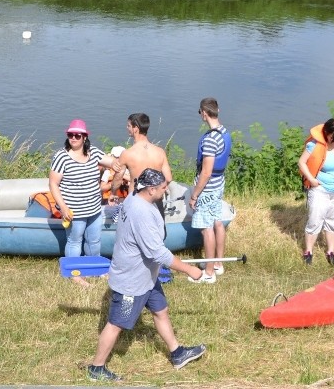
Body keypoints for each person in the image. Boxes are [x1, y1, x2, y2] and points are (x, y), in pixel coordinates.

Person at [88, 168, 207, 382]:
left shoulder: (135, 197)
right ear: (150, 189)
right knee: (116, 323)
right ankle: (96, 368)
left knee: (161, 310)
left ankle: (177, 353)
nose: (165, 190)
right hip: (131, 282)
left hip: (147, 277)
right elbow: (156, 252)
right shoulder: (140, 212)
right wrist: (190, 269)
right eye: (162, 188)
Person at [49, 119, 113, 286]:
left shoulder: (94, 152)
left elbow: (113, 162)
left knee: (94, 241)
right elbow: (53, 184)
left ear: (85, 137)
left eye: (78, 135)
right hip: (73, 211)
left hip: (94, 208)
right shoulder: (61, 157)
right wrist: (62, 207)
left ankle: (96, 269)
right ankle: (74, 274)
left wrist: (129, 160)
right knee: (74, 241)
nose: (74, 138)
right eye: (71, 135)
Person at [297, 118, 334, 266]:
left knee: (333, 222)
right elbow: (301, 162)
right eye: (332, 139)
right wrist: (311, 179)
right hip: (320, 188)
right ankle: (308, 251)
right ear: (326, 134)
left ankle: (331, 251)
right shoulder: (314, 145)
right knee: (315, 220)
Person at [188, 97, 231, 283]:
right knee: (218, 223)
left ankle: (208, 273)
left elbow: (206, 172)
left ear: (204, 113)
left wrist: (195, 194)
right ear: (217, 110)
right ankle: (218, 264)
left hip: (207, 189)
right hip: (219, 184)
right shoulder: (224, 132)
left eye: (200, 112)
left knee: (207, 229)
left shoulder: (210, 140)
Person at [110, 113, 173, 216]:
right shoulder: (160, 152)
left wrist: (113, 194)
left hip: (135, 200)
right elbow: (169, 178)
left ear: (136, 128)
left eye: (129, 126)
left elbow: (118, 179)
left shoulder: (127, 154)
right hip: (155, 201)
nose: (127, 128)